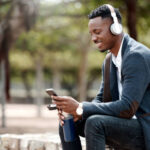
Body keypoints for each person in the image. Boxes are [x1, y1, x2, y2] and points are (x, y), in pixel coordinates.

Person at [52, 4, 150, 150]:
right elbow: (101, 98)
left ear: (115, 28)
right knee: (68, 122)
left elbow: (128, 107)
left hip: (144, 129)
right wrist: (77, 112)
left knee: (95, 123)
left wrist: (81, 107)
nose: (93, 38)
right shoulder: (109, 60)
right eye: (91, 33)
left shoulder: (136, 56)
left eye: (97, 32)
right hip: (125, 125)